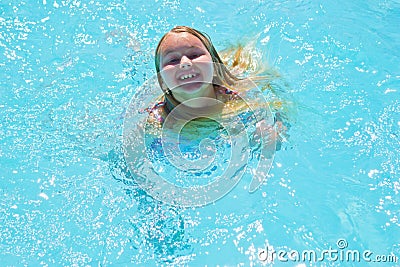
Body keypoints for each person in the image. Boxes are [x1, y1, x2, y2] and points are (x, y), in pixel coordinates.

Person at [146, 25, 289, 148]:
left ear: (215, 66)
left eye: (195, 54)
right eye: (173, 60)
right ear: (161, 80)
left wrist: (277, 128)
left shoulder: (240, 98)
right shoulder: (156, 121)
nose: (185, 62)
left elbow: (280, 105)